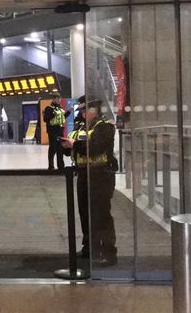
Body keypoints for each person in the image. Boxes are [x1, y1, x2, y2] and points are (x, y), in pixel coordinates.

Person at [61, 99, 118, 267]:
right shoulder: (81, 127)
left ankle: (108, 253)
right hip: (83, 174)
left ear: (93, 110)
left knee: (101, 216)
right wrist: (66, 146)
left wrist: (75, 145)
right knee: (85, 214)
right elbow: (75, 147)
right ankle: (89, 248)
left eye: (85, 109)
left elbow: (96, 147)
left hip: (101, 175)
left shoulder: (104, 126)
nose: (82, 113)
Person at [43, 92, 68, 170]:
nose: (58, 100)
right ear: (53, 99)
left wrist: (69, 112)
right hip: (52, 131)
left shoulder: (60, 108)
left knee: (60, 149)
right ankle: (51, 166)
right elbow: (45, 119)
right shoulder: (49, 108)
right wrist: (52, 114)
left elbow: (62, 118)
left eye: (59, 98)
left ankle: (61, 166)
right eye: (56, 99)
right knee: (53, 148)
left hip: (60, 131)